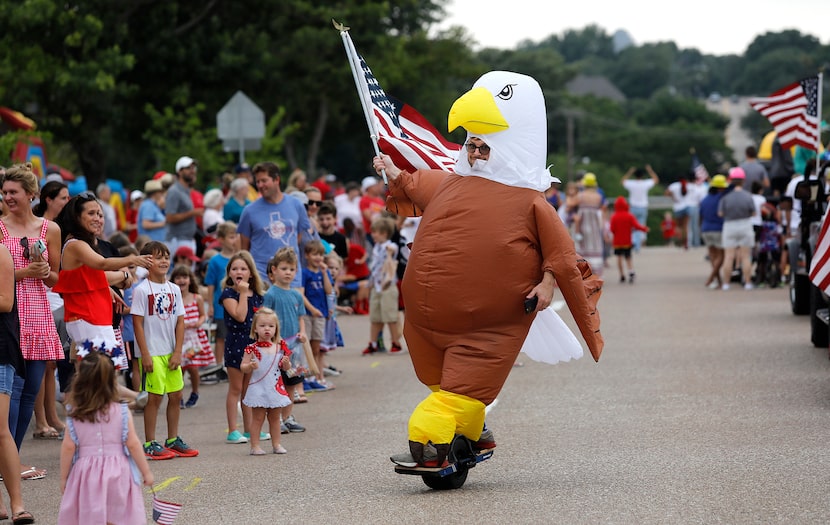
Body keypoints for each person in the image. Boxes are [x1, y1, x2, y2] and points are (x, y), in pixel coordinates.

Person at [373, 70, 603, 468]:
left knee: (456, 392)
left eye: (484, 148)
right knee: (439, 379)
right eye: (472, 146)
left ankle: (430, 440)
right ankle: (474, 433)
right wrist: (393, 172)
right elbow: (413, 184)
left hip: (487, 324)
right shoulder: (448, 183)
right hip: (426, 323)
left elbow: (560, 254)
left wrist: (548, 284)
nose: (475, 154)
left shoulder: (530, 202)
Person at [1, 163, 64, 481]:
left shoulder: (49, 229)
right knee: (11, 389)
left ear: (30, 194)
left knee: (31, 392)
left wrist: (43, 271)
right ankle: (6, 462)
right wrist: (23, 273)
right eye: (5, 192)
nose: (7, 197)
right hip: (9, 314)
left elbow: (55, 279)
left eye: (13, 192)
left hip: (38, 313)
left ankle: (15, 458)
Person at [57, 351, 153, 525]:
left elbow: (69, 447)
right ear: (111, 382)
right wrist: (145, 471)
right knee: (119, 515)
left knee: (92, 515)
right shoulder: (122, 411)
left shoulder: (75, 413)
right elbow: (132, 443)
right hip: (118, 471)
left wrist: (64, 478)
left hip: (86, 473)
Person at [131, 241, 199, 460]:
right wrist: (145, 354)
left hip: (171, 352)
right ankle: (150, 442)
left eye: (166, 257)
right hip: (152, 352)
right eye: (158, 257)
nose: (164, 261)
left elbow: (180, 322)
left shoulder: (174, 289)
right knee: (154, 398)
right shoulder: (142, 290)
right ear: (146, 261)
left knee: (176, 394)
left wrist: (178, 351)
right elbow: (137, 324)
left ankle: (172, 439)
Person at [31, 180, 71, 441]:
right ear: (48, 199)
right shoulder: (38, 227)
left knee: (51, 363)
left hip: (56, 298)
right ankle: (41, 420)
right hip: (38, 297)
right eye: (63, 198)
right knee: (40, 363)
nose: (66, 202)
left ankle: (50, 416)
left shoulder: (59, 228)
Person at [237, 161, 318, 288]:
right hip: (262, 277)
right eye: (257, 182)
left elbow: (298, 237)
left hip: (291, 277)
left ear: (277, 180)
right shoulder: (249, 211)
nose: (260, 185)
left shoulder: (296, 205)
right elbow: (244, 249)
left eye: (264, 180)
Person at [0, 243, 34, 524]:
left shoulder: (0, 251)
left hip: (0, 348)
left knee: (1, 430)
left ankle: (17, 505)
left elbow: (5, 301)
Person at [220, 251, 267, 444]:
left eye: (243, 268)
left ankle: (249, 430)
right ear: (229, 273)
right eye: (235, 268)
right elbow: (240, 316)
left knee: (249, 389)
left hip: (252, 345)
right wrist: (241, 294)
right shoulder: (228, 294)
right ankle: (233, 430)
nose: (239, 271)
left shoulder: (257, 296)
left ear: (250, 273)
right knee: (236, 388)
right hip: (236, 345)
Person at [263, 248, 308, 432]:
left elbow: (300, 318)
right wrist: (273, 339)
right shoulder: (271, 294)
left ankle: (288, 417)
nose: (288, 272)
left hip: (294, 348)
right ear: (274, 270)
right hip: (276, 347)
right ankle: (276, 420)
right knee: (277, 384)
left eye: (291, 269)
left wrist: (303, 333)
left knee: (292, 383)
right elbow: (264, 318)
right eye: (284, 268)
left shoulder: (297, 295)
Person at [240, 308, 292, 455]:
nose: (266, 329)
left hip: (274, 387)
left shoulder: (279, 348)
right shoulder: (251, 349)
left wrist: (286, 363)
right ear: (255, 328)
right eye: (262, 326)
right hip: (258, 387)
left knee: (275, 418)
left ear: (276, 329)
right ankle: (255, 446)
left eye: (270, 326)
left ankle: (276, 444)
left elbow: (286, 367)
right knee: (258, 418)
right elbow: (243, 367)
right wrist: (249, 366)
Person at [171, 265, 215, 409]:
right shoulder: (172, 299)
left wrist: (198, 322)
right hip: (179, 339)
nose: (181, 280)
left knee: (194, 367)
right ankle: (179, 395)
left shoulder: (197, 298)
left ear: (190, 280)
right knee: (180, 368)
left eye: (184, 277)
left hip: (194, 338)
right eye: (178, 278)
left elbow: (203, 314)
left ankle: (195, 392)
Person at [361, 217, 403, 355]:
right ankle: (373, 342)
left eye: (376, 232)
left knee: (390, 316)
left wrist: (389, 252)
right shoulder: (376, 248)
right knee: (375, 317)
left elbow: (392, 252)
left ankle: (395, 342)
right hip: (377, 285)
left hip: (388, 285)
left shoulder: (391, 246)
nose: (373, 234)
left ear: (385, 233)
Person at [203, 221, 239, 382]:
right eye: (231, 237)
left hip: (239, 304)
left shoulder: (240, 258)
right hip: (220, 306)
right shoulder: (215, 261)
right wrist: (210, 304)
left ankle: (236, 364)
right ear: (222, 239)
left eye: (236, 236)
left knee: (237, 335)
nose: (235, 240)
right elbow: (210, 283)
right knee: (220, 337)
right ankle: (219, 366)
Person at [301, 240, 334, 387]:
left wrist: (324, 273)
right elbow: (302, 294)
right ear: (307, 255)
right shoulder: (304, 272)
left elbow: (329, 290)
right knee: (307, 346)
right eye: (314, 254)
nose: (318, 258)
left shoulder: (323, 272)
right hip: (308, 313)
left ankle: (315, 376)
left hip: (321, 313)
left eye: (320, 254)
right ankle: (308, 377)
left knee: (317, 347)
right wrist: (312, 309)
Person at [719, 167, 757, 290]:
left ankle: (726, 283)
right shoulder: (747, 196)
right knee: (746, 256)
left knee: (729, 256)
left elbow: (720, 213)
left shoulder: (726, 197)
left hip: (729, 225)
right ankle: (747, 282)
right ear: (743, 181)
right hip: (745, 224)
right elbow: (753, 213)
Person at [165, 156, 204, 256]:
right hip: (178, 240)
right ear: (179, 171)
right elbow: (170, 217)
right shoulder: (174, 191)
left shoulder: (185, 191)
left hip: (187, 239)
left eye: (193, 168)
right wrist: (192, 213)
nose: (192, 171)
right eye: (188, 168)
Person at [608, 196, 649, 284]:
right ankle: (631, 271)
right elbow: (637, 226)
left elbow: (611, 229)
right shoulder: (629, 215)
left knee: (619, 257)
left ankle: (621, 275)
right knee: (628, 257)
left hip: (617, 242)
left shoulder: (614, 217)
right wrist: (644, 229)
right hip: (627, 241)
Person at [573, 172, 606, 275]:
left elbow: (570, 204)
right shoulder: (598, 196)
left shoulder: (580, 195)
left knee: (582, 246)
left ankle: (583, 270)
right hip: (594, 224)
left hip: (583, 223)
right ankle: (595, 271)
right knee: (595, 244)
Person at [699, 174, 728, 289]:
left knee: (712, 256)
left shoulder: (704, 199)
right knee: (722, 255)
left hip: (705, 229)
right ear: (720, 188)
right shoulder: (721, 198)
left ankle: (718, 280)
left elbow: (700, 215)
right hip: (718, 229)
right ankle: (711, 278)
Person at [621, 165, 659, 251]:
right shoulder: (645, 183)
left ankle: (633, 241)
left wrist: (629, 172)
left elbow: (622, 181)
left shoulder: (631, 183)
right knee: (640, 226)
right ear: (642, 176)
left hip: (633, 207)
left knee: (632, 226)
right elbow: (656, 180)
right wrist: (650, 170)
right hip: (643, 207)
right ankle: (637, 245)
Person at [665, 173, 693, 249]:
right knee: (685, 226)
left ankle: (679, 241)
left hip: (677, 207)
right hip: (687, 206)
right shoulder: (688, 185)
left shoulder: (673, 186)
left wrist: (673, 197)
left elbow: (667, 193)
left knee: (678, 226)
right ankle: (686, 243)